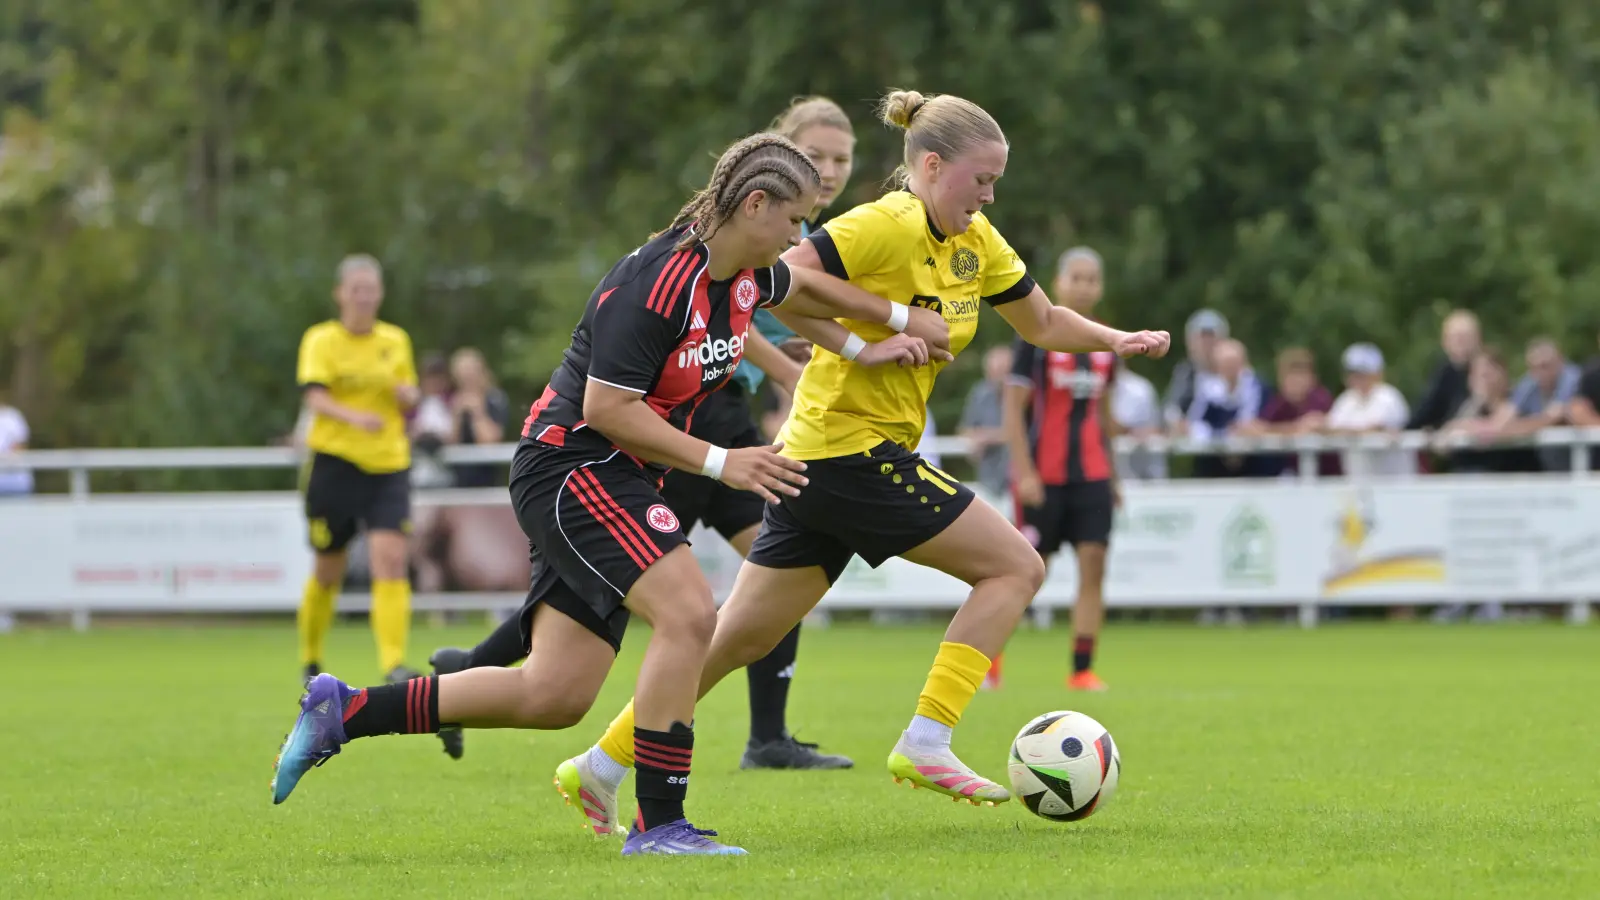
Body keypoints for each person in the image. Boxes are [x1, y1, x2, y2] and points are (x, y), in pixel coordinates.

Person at [268, 132, 945, 858]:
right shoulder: (657, 282)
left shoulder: (744, 274)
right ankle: (661, 824)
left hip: (613, 474)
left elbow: (808, 289)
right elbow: (606, 410)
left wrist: (885, 331)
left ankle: (344, 711)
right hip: (573, 467)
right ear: (755, 205)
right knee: (689, 612)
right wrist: (725, 462)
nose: (800, 236)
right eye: (794, 221)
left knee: (553, 695)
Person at [559, 89, 1169, 824]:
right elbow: (778, 281)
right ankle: (928, 738)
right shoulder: (887, 223)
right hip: (850, 451)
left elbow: (1040, 321)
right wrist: (868, 336)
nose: (989, 194)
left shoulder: (977, 241)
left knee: (734, 639)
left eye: (996, 181)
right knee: (1015, 566)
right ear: (931, 166)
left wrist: (1114, 339)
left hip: (820, 458)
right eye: (980, 179)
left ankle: (597, 766)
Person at [426, 97, 861, 772]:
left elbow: (777, 299)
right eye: (819, 157)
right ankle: (657, 792)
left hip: (698, 434)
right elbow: (659, 358)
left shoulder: (756, 256)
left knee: (728, 588)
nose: (831, 172)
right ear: (770, 174)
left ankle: (737, 745)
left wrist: (880, 334)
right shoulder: (687, 264)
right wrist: (734, 442)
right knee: (697, 599)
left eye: (842, 158)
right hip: (650, 445)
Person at [988, 246, 1117, 693]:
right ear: (1059, 283)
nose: (1083, 286)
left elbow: (1105, 414)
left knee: (1094, 566)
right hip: (1043, 477)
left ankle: (1082, 668)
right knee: (1024, 571)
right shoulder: (1034, 338)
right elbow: (1013, 409)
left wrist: (1114, 477)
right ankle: (990, 662)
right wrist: (1024, 472)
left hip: (1093, 476)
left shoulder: (1105, 341)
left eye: (1091, 279)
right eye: (1075, 278)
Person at [294, 255, 422, 687]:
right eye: (356, 289)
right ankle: (310, 656)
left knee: (391, 558)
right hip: (336, 463)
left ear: (380, 294)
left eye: (371, 289)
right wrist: (354, 418)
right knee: (329, 568)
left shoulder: (395, 339)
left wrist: (409, 396)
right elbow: (315, 397)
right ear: (340, 293)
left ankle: (394, 664)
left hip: (388, 464)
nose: (364, 297)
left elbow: (408, 395)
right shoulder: (321, 340)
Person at [1325, 343, 1413, 478]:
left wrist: (1341, 431)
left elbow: (1376, 428)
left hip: (1393, 485)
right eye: (1353, 373)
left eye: (1363, 373)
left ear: (1378, 374)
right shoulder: (1346, 400)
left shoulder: (1388, 396)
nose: (1357, 379)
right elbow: (1330, 430)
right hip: (1357, 484)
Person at [957, 344, 1015, 497]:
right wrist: (975, 440)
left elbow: (1022, 432)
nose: (998, 378)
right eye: (993, 372)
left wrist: (989, 437)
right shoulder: (979, 393)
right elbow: (965, 428)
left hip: (1017, 478)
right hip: (988, 479)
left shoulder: (1024, 394)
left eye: (1003, 371)